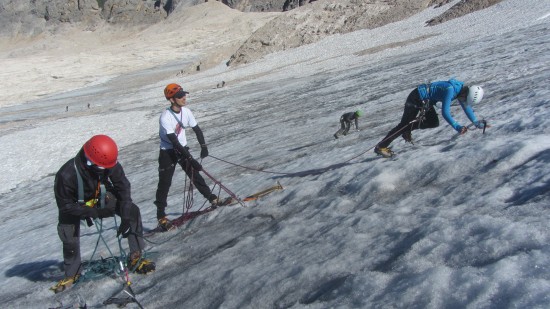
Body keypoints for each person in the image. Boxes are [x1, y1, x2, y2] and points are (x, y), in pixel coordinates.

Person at [52, 135, 155, 293]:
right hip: (75, 206)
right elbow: (65, 206)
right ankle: (72, 273)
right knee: (68, 232)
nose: (106, 170)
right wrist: (95, 212)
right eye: (102, 168)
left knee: (133, 211)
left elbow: (123, 186)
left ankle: (136, 256)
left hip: (100, 197)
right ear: (89, 160)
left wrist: (126, 216)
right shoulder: (66, 175)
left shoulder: (106, 162)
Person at [154, 83, 220, 231]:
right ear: (171, 100)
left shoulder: (187, 112)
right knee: (165, 184)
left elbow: (197, 129)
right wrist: (190, 159)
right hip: (168, 151)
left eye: (184, 94)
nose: (184, 97)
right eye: (179, 96)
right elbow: (173, 141)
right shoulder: (165, 117)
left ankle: (212, 198)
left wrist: (203, 146)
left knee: (195, 175)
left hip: (182, 149)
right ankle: (161, 216)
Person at [374, 79, 485, 157]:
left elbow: (466, 107)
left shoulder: (460, 91)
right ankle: (381, 147)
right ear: (466, 94)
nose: (463, 100)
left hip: (426, 101)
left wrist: (476, 122)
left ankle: (407, 130)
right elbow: (445, 113)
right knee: (403, 125)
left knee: (433, 122)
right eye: (465, 98)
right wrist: (457, 126)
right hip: (416, 97)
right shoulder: (450, 90)